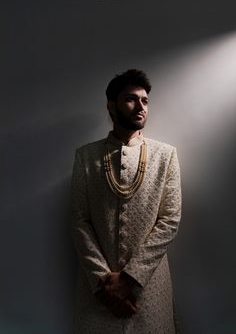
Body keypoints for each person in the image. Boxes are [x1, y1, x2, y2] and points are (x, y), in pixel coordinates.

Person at [71, 69, 182, 334]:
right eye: (131, 99)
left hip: (149, 288)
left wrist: (131, 278)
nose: (140, 106)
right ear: (112, 105)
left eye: (145, 100)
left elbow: (170, 220)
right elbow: (79, 221)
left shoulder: (165, 156)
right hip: (98, 291)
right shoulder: (86, 157)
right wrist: (104, 283)